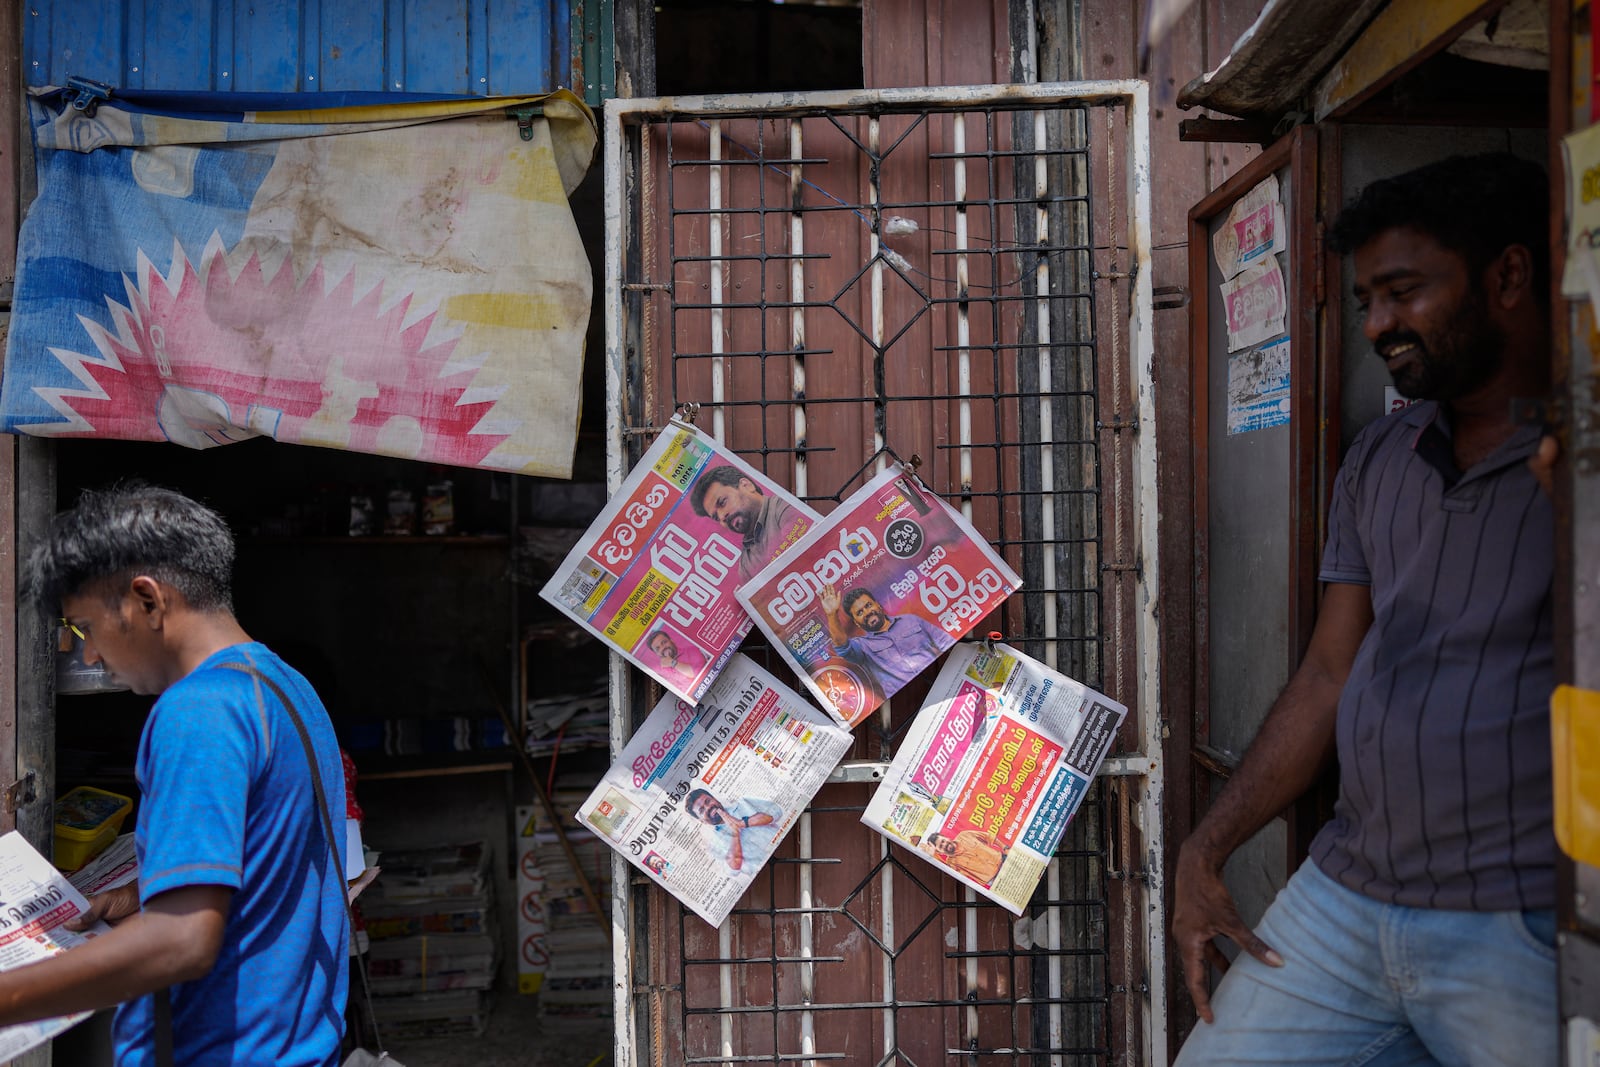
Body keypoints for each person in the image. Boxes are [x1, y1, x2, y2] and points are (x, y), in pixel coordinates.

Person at [1172, 153, 1560, 1066]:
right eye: (1365, 303)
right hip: (1348, 894)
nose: (1379, 325)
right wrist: (1206, 845)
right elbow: (1328, 671)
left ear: (1508, 275)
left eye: (1403, 291)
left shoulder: (1577, 461)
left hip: (1521, 921)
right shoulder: (1383, 457)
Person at [19, 484, 349, 1065]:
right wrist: (145, 892)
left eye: (84, 628)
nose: (90, 657)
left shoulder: (197, 711)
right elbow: (270, 854)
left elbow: (182, 943)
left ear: (147, 601)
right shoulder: (281, 684)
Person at [819, 583, 944, 697]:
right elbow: (842, 647)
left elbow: (944, 640)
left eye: (868, 605)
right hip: (910, 699)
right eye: (860, 612)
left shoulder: (910, 620)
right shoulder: (862, 646)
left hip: (942, 677)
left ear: (877, 604)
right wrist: (832, 614)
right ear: (856, 622)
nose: (867, 612)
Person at [689, 465, 809, 582]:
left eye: (722, 502)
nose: (722, 517)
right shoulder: (745, 564)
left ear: (746, 485)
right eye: (716, 517)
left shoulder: (784, 508)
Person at [685, 788, 782, 872]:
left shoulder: (743, 803)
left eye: (708, 801)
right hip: (768, 870)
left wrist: (742, 823)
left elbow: (775, 810)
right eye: (702, 810)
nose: (708, 807)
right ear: (702, 821)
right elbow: (734, 867)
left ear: (715, 799)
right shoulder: (715, 845)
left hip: (784, 843)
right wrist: (735, 833)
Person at [924, 830, 1006, 885]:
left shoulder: (964, 835)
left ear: (946, 837)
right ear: (939, 852)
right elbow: (949, 873)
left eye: (943, 841)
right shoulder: (951, 864)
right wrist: (933, 856)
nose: (945, 844)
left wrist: (1004, 847)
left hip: (1004, 860)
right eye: (941, 846)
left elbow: (988, 836)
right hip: (996, 881)